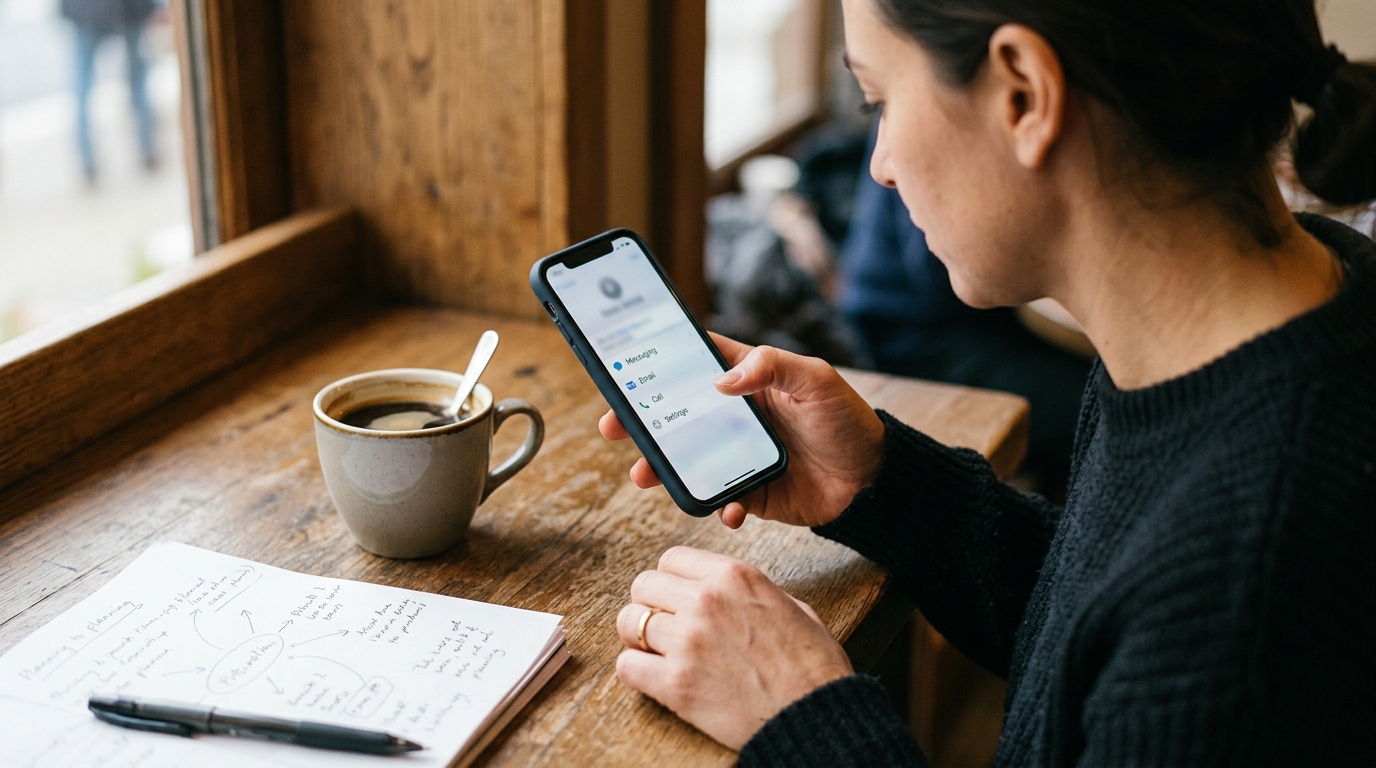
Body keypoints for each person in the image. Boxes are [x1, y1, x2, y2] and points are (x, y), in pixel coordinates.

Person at [600, 0, 1376, 764]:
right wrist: (884, 484)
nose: (880, 165)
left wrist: (805, 719)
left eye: (880, 99)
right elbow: (1105, 638)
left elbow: (1187, 631)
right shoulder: (1282, 307)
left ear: (1024, 95)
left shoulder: (1256, 584)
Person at [839, 127, 1091, 485]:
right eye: (873, 106)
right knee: (1090, 410)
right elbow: (935, 273)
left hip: (975, 317)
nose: (879, 168)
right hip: (913, 331)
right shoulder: (925, 118)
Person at [61, 0, 160, 183]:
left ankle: (87, 160)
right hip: (127, 8)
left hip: (86, 9)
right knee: (137, 78)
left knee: (83, 84)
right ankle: (147, 147)